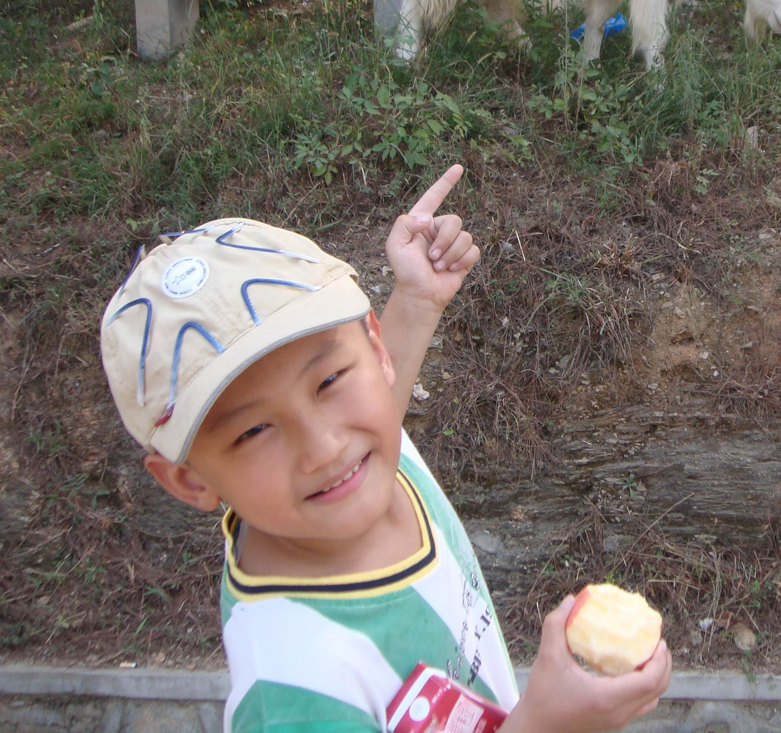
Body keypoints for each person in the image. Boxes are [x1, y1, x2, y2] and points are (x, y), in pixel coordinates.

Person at [99, 164, 671, 733]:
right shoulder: (296, 694)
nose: (324, 447)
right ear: (189, 481)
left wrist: (418, 300)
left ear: (376, 352)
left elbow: (378, 400)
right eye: (252, 432)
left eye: (327, 382)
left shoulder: (369, 456)